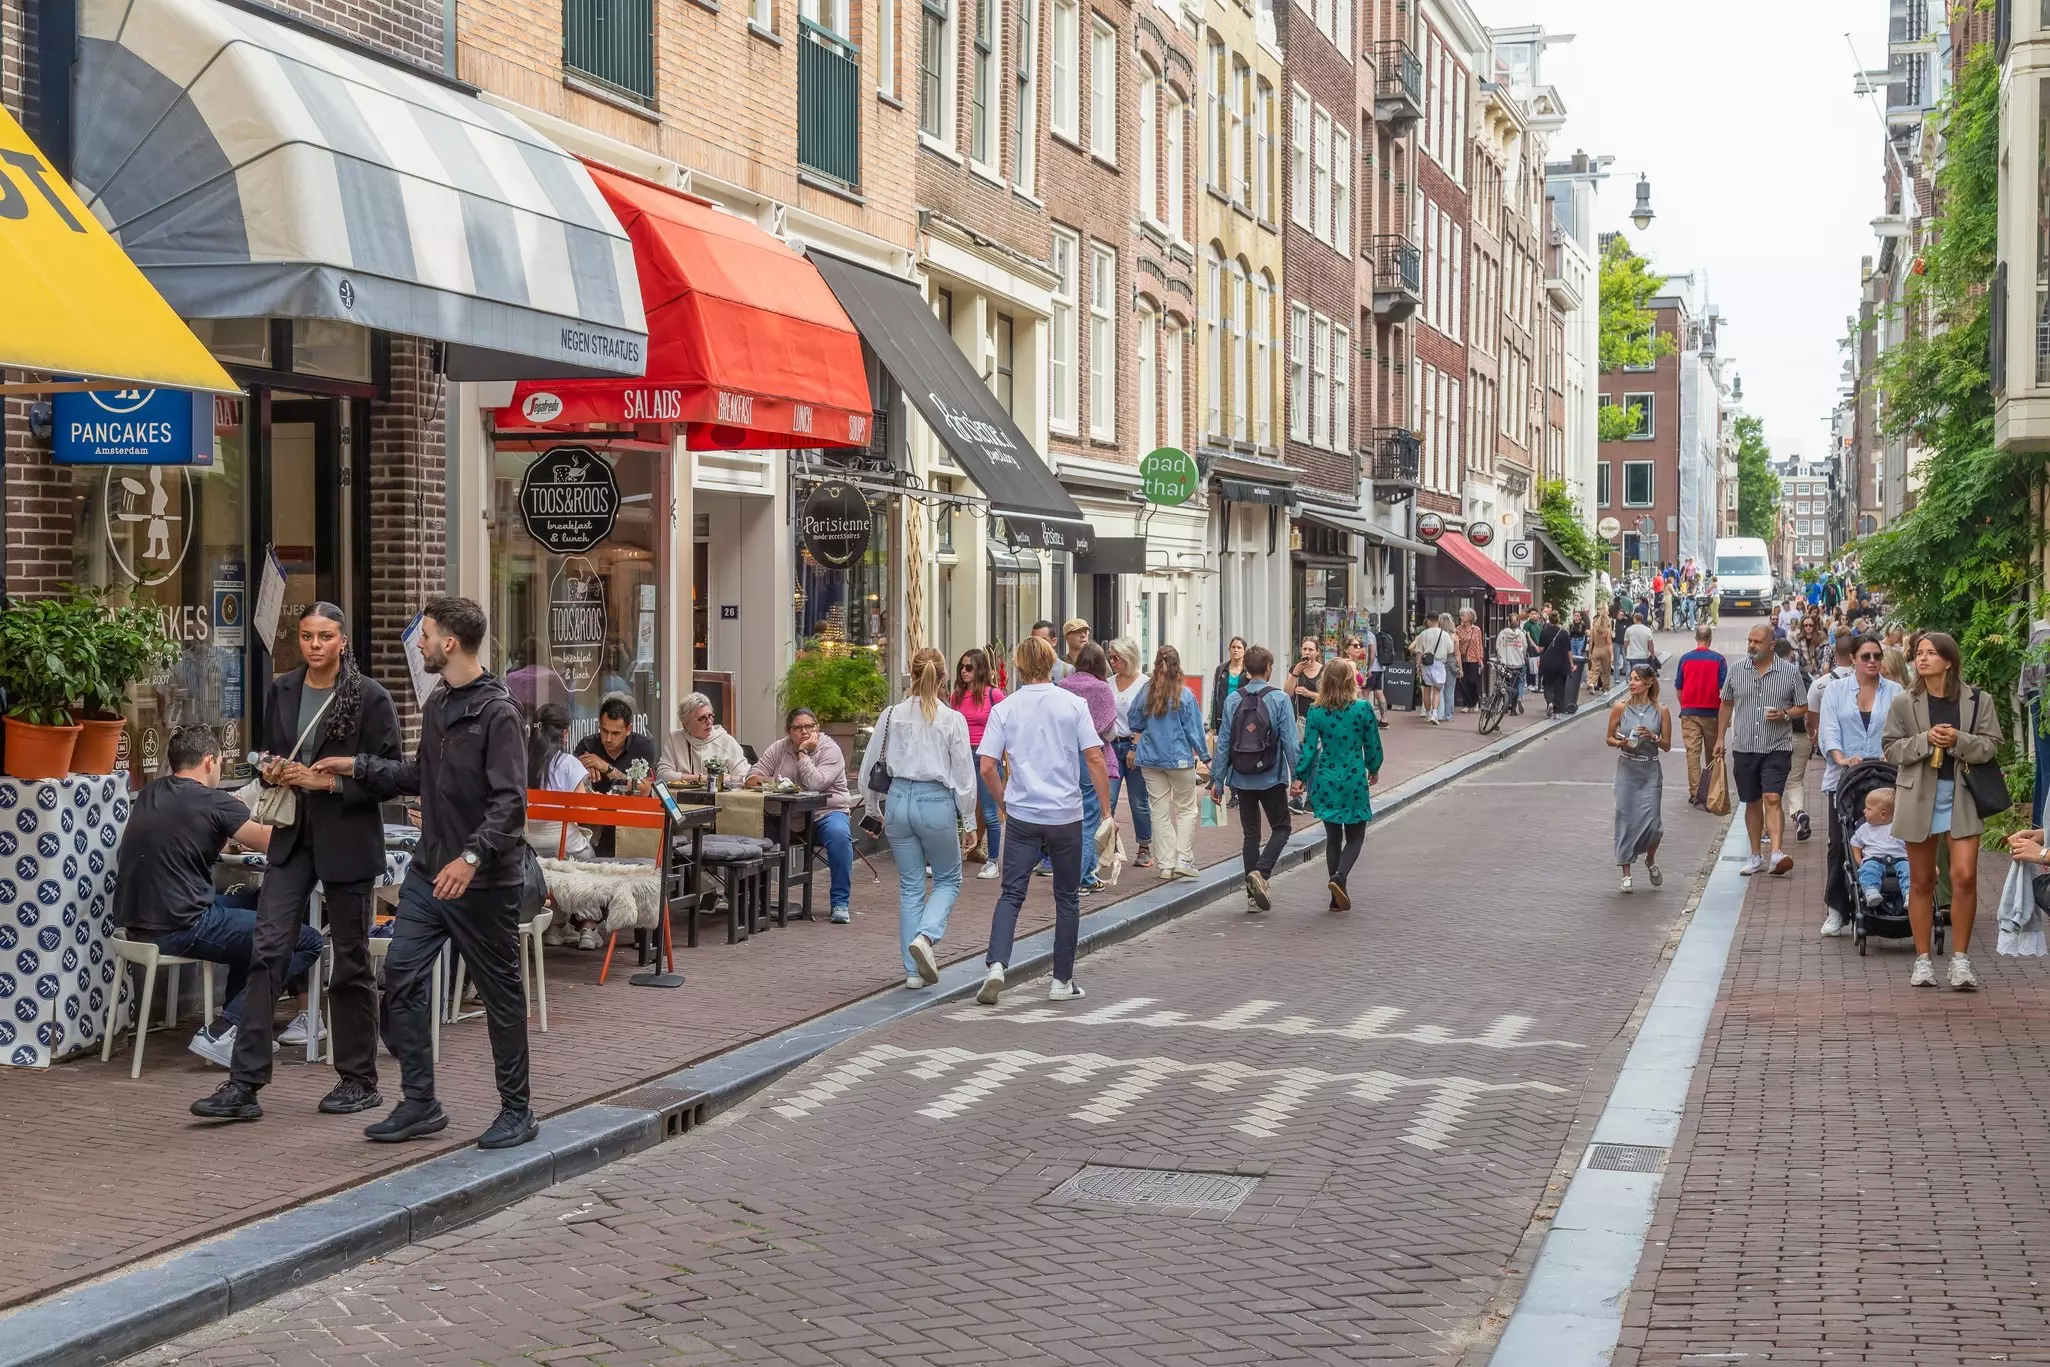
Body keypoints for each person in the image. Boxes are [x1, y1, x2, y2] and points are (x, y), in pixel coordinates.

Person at [314, 597, 536, 1150]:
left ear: (450, 643)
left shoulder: (499, 713)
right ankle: (420, 1103)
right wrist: (356, 767)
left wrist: (472, 857)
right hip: (429, 872)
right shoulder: (438, 702)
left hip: (484, 882)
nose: (419, 643)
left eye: (427, 634)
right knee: (402, 976)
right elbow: (419, 773)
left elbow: (510, 805)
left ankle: (517, 1111)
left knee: (500, 994)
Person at [196, 603, 399, 1120]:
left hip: (347, 839)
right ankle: (244, 1083)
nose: (314, 645)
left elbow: (392, 774)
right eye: (307, 636)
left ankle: (358, 1078)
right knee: (267, 949)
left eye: (325, 636)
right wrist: (271, 769)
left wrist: (328, 782)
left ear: (343, 640)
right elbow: (269, 750)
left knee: (350, 958)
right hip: (289, 835)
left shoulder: (370, 696)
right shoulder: (283, 689)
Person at [119, 729, 294, 1114]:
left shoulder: (149, 793)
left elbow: (194, 835)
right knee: (298, 937)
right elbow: (272, 841)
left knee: (255, 910)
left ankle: (240, 1025)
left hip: (137, 924)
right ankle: (226, 1028)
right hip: (182, 925)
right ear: (211, 761)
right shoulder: (214, 800)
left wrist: (227, 838)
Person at [975, 635, 1111, 1004]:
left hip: (1023, 813)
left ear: (1018, 667)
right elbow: (1094, 757)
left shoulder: (1006, 708)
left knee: (1011, 894)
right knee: (1066, 898)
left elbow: (987, 766)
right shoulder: (1073, 704)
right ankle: (1061, 981)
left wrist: (1004, 803)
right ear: (1052, 663)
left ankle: (996, 966)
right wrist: (1106, 810)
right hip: (1065, 814)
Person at [1882, 631, 2002, 990]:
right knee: (1922, 880)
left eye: (1931, 653)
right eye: (1919, 653)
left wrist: (1958, 740)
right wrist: (1925, 740)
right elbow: (1890, 749)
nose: (1922, 658)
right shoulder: (1904, 702)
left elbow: (1991, 745)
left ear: (1948, 661)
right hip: (1918, 796)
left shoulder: (1978, 700)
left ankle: (1960, 960)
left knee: (1964, 876)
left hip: (1962, 795)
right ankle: (1923, 960)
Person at [859, 648, 976, 991]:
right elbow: (964, 776)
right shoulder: (952, 719)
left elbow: (869, 768)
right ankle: (926, 937)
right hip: (935, 800)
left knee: (911, 885)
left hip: (898, 799)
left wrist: (872, 809)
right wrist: (969, 820)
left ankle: (912, 972)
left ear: (911, 675)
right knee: (948, 879)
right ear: (943, 678)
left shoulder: (890, 715)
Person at [1815, 634, 1895, 936]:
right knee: (1840, 843)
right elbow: (1829, 730)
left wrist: (1893, 753)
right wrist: (1841, 757)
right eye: (1866, 656)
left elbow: (1900, 729)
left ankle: (1891, 901)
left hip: (1884, 777)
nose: (1872, 661)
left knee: (1888, 840)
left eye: (1877, 656)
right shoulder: (1835, 691)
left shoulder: (1895, 691)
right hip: (1845, 778)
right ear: (1853, 659)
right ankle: (1837, 909)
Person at [1212, 645, 1302, 911]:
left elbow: (1224, 743)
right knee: (1282, 828)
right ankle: (1261, 873)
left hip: (1241, 777)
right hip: (1271, 776)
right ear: (1269, 668)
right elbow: (1290, 742)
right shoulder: (1280, 699)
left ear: (1247, 669)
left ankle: (1252, 898)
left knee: (1251, 834)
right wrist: (1298, 776)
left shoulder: (1233, 699)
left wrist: (1217, 781)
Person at [747, 708, 858, 923]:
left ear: (817, 728)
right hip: (787, 815)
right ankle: (753, 900)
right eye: (797, 728)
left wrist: (803, 753)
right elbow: (751, 777)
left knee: (839, 836)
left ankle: (840, 903)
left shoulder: (830, 749)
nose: (804, 732)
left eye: (809, 726)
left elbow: (815, 783)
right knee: (753, 834)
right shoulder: (779, 748)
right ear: (789, 732)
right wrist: (773, 783)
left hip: (825, 813)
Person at [1715, 622, 1807, 878]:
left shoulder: (1790, 672)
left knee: (1773, 798)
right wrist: (1720, 738)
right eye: (1750, 641)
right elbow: (1726, 704)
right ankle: (1755, 855)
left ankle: (1776, 853)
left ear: (1772, 645)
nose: (1752, 645)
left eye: (1757, 641)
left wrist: (1785, 714)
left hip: (1776, 746)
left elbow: (1802, 706)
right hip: (1744, 746)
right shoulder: (1736, 670)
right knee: (1752, 801)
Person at [1292, 657, 1383, 911]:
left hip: (1327, 777)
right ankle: (1340, 878)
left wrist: (1300, 777)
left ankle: (1335, 897)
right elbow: (1372, 743)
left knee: (1333, 838)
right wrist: (1374, 767)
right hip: (1353, 776)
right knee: (1355, 837)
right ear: (1349, 680)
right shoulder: (1362, 709)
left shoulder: (1316, 711)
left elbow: (1309, 748)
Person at [1127, 644, 1211, 880]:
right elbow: (1194, 730)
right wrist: (1205, 757)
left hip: (1151, 758)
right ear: (1178, 665)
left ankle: (1165, 865)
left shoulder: (1146, 691)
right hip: (1179, 759)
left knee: (1159, 810)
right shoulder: (1185, 694)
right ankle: (1184, 859)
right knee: (1186, 809)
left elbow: (1134, 719)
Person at [526, 703, 598, 948]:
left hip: (532, 844)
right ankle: (588, 926)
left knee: (553, 868)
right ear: (565, 733)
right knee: (588, 863)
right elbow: (582, 810)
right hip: (563, 840)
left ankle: (555, 926)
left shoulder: (521, 761)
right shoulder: (569, 763)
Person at [1058, 642, 1120, 893]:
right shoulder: (1101, 688)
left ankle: (1085, 873)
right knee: (1090, 815)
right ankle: (1082, 878)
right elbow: (1110, 731)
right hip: (1090, 755)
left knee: (1069, 817)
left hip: (1064, 756)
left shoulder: (1063, 686)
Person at [1610, 663, 1672, 893]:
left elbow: (1666, 745)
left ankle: (1650, 859)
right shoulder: (1620, 707)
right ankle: (1626, 873)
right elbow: (1608, 737)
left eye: (1636, 679)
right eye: (1630, 679)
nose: (1631, 683)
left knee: (1654, 825)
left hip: (1650, 770)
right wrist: (1621, 742)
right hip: (1627, 769)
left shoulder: (1661, 710)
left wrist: (1653, 736)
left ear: (1648, 682)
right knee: (1625, 819)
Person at [573, 695, 659, 852]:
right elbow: (574, 784)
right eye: (604, 731)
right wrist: (585, 771)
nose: (608, 739)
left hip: (632, 823)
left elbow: (644, 790)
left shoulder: (643, 746)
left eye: (615, 733)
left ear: (628, 730)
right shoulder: (587, 745)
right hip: (596, 824)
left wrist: (606, 768)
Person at [951, 648, 1007, 879]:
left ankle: (993, 861)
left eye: (969, 667)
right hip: (961, 756)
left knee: (989, 811)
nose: (963, 671)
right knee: (955, 809)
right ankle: (950, 858)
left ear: (980, 669)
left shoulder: (994, 695)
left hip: (986, 757)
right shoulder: (956, 696)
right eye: (961, 667)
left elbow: (1007, 727)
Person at [1104, 638, 1154, 869]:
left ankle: (1144, 847)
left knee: (1138, 800)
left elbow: (1148, 718)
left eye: (1117, 657)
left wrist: (1135, 746)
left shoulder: (1145, 684)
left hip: (1136, 745)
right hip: (1113, 746)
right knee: (1109, 799)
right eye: (1110, 657)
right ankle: (1108, 846)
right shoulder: (1108, 683)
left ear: (1129, 657)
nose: (1112, 662)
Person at [1673, 626, 1727, 806]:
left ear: (1696, 638)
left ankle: (1696, 792)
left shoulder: (1685, 659)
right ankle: (1711, 789)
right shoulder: (1719, 660)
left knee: (1692, 753)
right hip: (1712, 712)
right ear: (1710, 639)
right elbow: (1723, 691)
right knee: (1713, 753)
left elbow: (1679, 688)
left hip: (1689, 711)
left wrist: (1685, 705)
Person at [1772, 638, 1818, 844]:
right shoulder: (1805, 675)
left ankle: (1769, 828)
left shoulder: (1769, 676)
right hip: (1801, 733)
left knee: (1771, 781)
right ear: (1791, 654)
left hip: (1776, 733)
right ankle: (1798, 812)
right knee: (1795, 779)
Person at [656, 692, 750, 782]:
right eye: (702, 718)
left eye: (710, 716)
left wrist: (724, 780)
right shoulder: (675, 739)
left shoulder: (726, 741)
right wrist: (699, 778)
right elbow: (662, 774)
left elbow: (744, 776)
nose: (709, 722)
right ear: (686, 723)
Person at [1851, 787, 1911, 909]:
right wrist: (1859, 860)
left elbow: (1910, 845)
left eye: (1868, 809)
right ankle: (1871, 890)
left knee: (1909, 870)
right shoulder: (1864, 829)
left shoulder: (1899, 827)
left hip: (1900, 859)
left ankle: (1909, 893)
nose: (1864, 811)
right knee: (1868, 869)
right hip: (1874, 859)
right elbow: (1855, 843)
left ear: (1883, 814)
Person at [1410, 615, 1455, 726]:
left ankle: (1428, 714)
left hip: (1426, 664)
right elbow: (1450, 650)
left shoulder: (1423, 634)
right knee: (1437, 690)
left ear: (1429, 621)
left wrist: (1418, 665)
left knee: (1426, 690)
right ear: (1438, 620)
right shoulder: (1445, 634)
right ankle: (1435, 714)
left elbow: (1419, 651)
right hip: (1439, 664)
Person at [1209, 635, 1250, 741]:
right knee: (1223, 743)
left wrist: (1251, 679)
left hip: (1242, 713)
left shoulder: (1248, 670)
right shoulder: (1221, 669)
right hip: (1223, 713)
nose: (1236, 650)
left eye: (1239, 647)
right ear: (1229, 649)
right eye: (1233, 647)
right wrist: (1213, 722)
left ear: (1244, 651)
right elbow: (1215, 694)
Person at [1536, 608, 1574, 717]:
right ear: (1558, 620)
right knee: (1559, 687)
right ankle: (1557, 711)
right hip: (1561, 664)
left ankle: (1550, 702)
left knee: (1547, 685)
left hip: (1548, 663)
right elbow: (1569, 651)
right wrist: (1571, 664)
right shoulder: (1564, 633)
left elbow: (1541, 649)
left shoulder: (1544, 632)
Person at [1454, 609, 1485, 713]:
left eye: (1463, 615)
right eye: (1461, 615)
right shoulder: (1458, 629)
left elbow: (1479, 644)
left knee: (1473, 681)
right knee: (1463, 681)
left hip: (1474, 659)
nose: (1461, 617)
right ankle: (1467, 704)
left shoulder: (1476, 629)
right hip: (1462, 658)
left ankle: (1475, 702)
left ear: (1470, 617)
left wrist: (1480, 659)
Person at [1286, 637, 1324, 721]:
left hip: (1319, 717)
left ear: (1317, 652)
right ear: (1301, 650)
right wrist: (1295, 673)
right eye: (1304, 649)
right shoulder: (1295, 668)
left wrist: (1308, 694)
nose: (1307, 652)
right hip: (1299, 718)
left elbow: (1329, 698)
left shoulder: (1324, 670)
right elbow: (1287, 693)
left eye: (1310, 650)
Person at [1622, 612, 1657, 679]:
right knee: (1643, 675)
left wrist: (1626, 653)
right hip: (1643, 656)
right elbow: (1650, 644)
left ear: (1634, 619)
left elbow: (1625, 643)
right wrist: (1652, 654)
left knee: (1634, 674)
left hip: (1632, 656)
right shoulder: (1647, 630)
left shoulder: (1629, 630)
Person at [1586, 612, 1614, 694]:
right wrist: (1612, 655)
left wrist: (1590, 653)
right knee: (1606, 671)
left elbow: (1591, 641)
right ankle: (1605, 688)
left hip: (1596, 650)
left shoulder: (1593, 629)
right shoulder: (1607, 630)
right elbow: (1609, 643)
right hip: (1605, 651)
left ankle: (1591, 683)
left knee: (1594, 669)